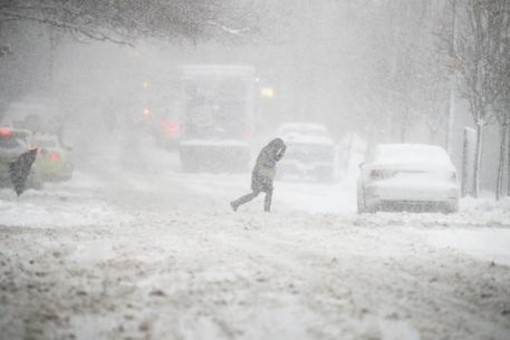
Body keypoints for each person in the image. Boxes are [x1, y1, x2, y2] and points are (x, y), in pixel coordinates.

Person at [231, 138, 286, 212]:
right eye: (279, 147)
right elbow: (268, 162)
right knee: (257, 193)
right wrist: (271, 165)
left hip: (265, 175)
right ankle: (236, 203)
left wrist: (283, 151)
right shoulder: (267, 150)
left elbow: (276, 159)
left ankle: (236, 203)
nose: (278, 148)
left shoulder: (272, 151)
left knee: (265, 192)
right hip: (259, 175)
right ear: (276, 145)